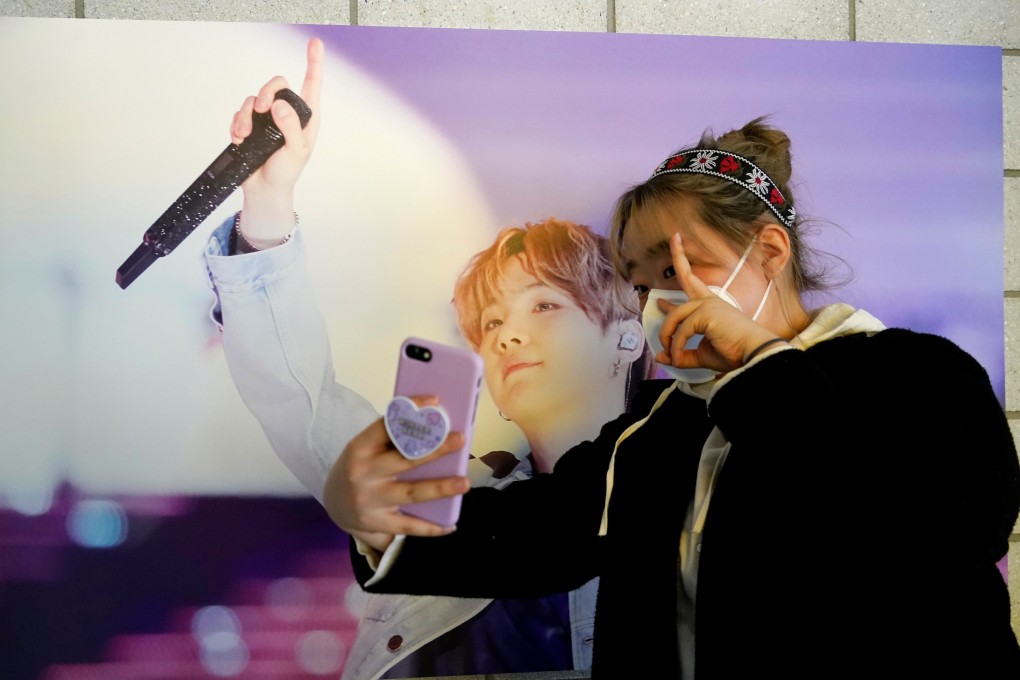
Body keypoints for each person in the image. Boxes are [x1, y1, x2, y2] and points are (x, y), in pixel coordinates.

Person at [329, 117, 1020, 678]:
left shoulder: (917, 371)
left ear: (771, 252)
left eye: (681, 264)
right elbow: (538, 536)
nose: (655, 296)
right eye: (638, 278)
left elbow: (942, 536)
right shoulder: (663, 423)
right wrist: (380, 522)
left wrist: (757, 364)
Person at [202, 37, 656, 678]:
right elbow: (305, 405)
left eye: (544, 307)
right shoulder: (444, 492)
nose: (506, 335)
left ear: (629, 334)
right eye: (490, 321)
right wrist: (268, 204)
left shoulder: (695, 484)